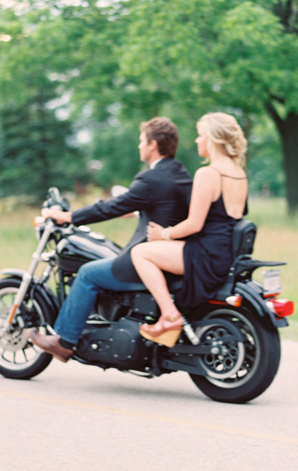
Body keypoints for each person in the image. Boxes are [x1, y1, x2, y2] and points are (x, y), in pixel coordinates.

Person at [28, 117, 193, 362]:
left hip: (148, 260)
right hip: (174, 258)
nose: (139, 146)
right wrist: (137, 210)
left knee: (87, 274)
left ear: (153, 145)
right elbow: (166, 206)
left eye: (141, 141)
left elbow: (109, 208)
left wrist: (67, 216)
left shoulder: (150, 178)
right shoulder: (180, 173)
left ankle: (64, 341)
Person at [131, 112, 248, 347]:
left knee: (140, 253)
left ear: (213, 139)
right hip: (225, 253)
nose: (197, 140)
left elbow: (195, 224)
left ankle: (169, 316)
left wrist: (163, 234)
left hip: (207, 254)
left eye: (200, 135)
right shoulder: (239, 173)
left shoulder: (209, 173)